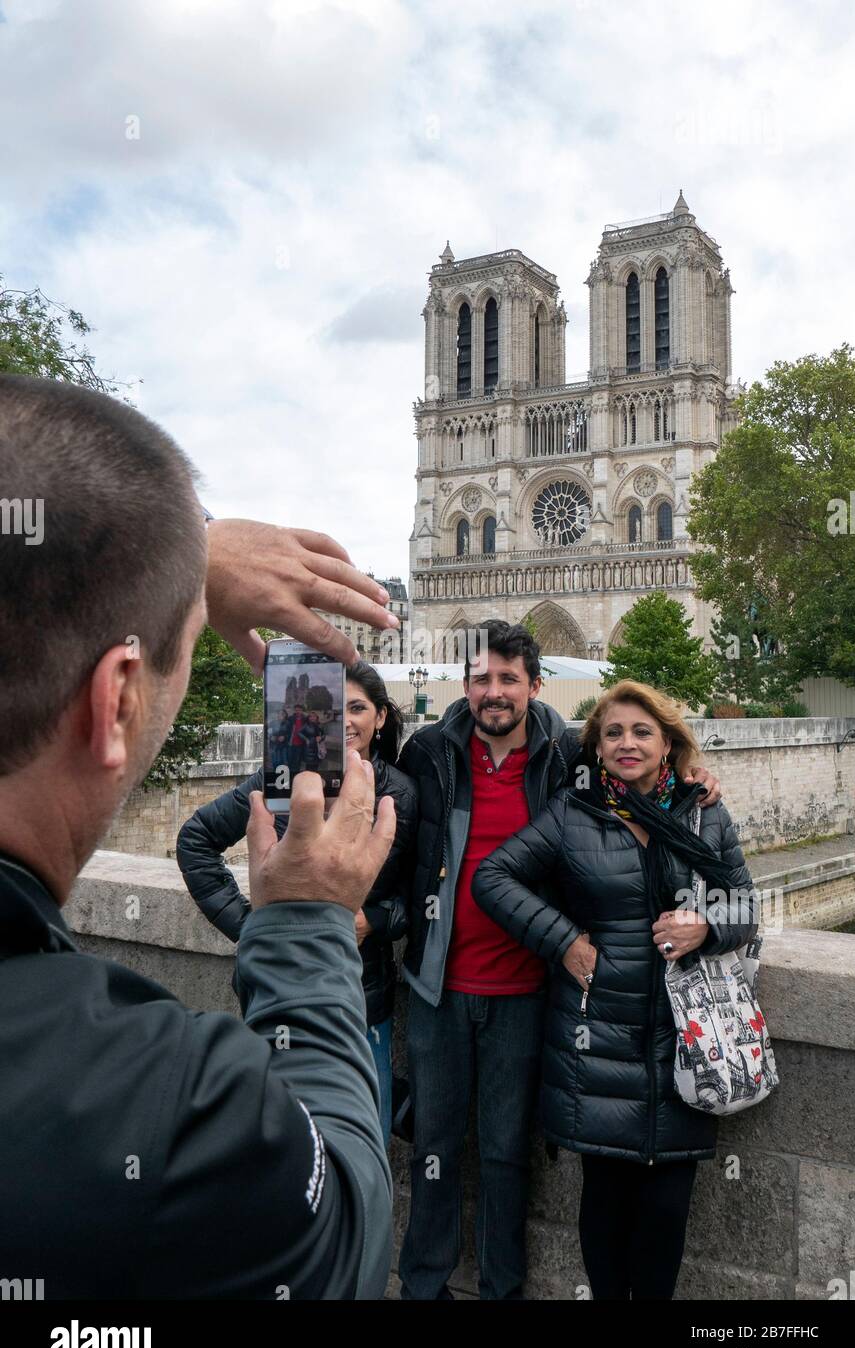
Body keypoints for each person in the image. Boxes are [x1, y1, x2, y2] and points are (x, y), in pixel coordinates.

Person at [0, 373, 401, 1299]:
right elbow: (342, 1230)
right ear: (119, 701)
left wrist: (173, 560)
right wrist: (304, 922)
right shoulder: (167, 1109)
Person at [393, 622, 722, 1300]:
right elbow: (390, 841)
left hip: (527, 987)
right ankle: (424, 1289)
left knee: (507, 1157)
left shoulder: (565, 755)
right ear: (463, 684)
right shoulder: (426, 751)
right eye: (481, 678)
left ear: (534, 686)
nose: (493, 692)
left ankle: (501, 1291)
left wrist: (690, 778)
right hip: (437, 985)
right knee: (432, 1150)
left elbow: (640, 768)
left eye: (508, 679)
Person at [471, 679, 757, 1300]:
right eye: (613, 733)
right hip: (597, 1039)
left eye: (642, 731)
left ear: (667, 742)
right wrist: (563, 939)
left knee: (665, 1212)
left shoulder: (704, 813)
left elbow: (747, 907)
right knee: (603, 1205)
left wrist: (707, 928)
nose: (627, 743)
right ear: (596, 748)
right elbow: (492, 878)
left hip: (688, 1040)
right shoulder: (574, 813)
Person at [177, 661, 418, 1148]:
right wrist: (256, 929)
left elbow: (426, 894)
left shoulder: (402, 795)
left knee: (360, 1147)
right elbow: (196, 840)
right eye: (331, 708)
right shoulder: (279, 778)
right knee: (277, 1148)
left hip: (361, 998)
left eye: (358, 708)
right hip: (273, 993)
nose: (344, 720)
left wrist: (374, 919)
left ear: (381, 719)